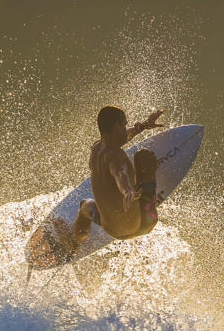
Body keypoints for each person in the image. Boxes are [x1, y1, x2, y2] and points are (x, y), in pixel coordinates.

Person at [41, 107, 165, 262]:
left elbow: (124, 138)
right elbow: (120, 174)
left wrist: (143, 126)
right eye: (124, 125)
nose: (126, 128)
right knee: (143, 156)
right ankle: (145, 199)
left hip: (112, 230)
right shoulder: (116, 157)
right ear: (116, 127)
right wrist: (127, 190)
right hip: (143, 224)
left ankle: (74, 243)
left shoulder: (96, 150)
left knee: (85, 206)